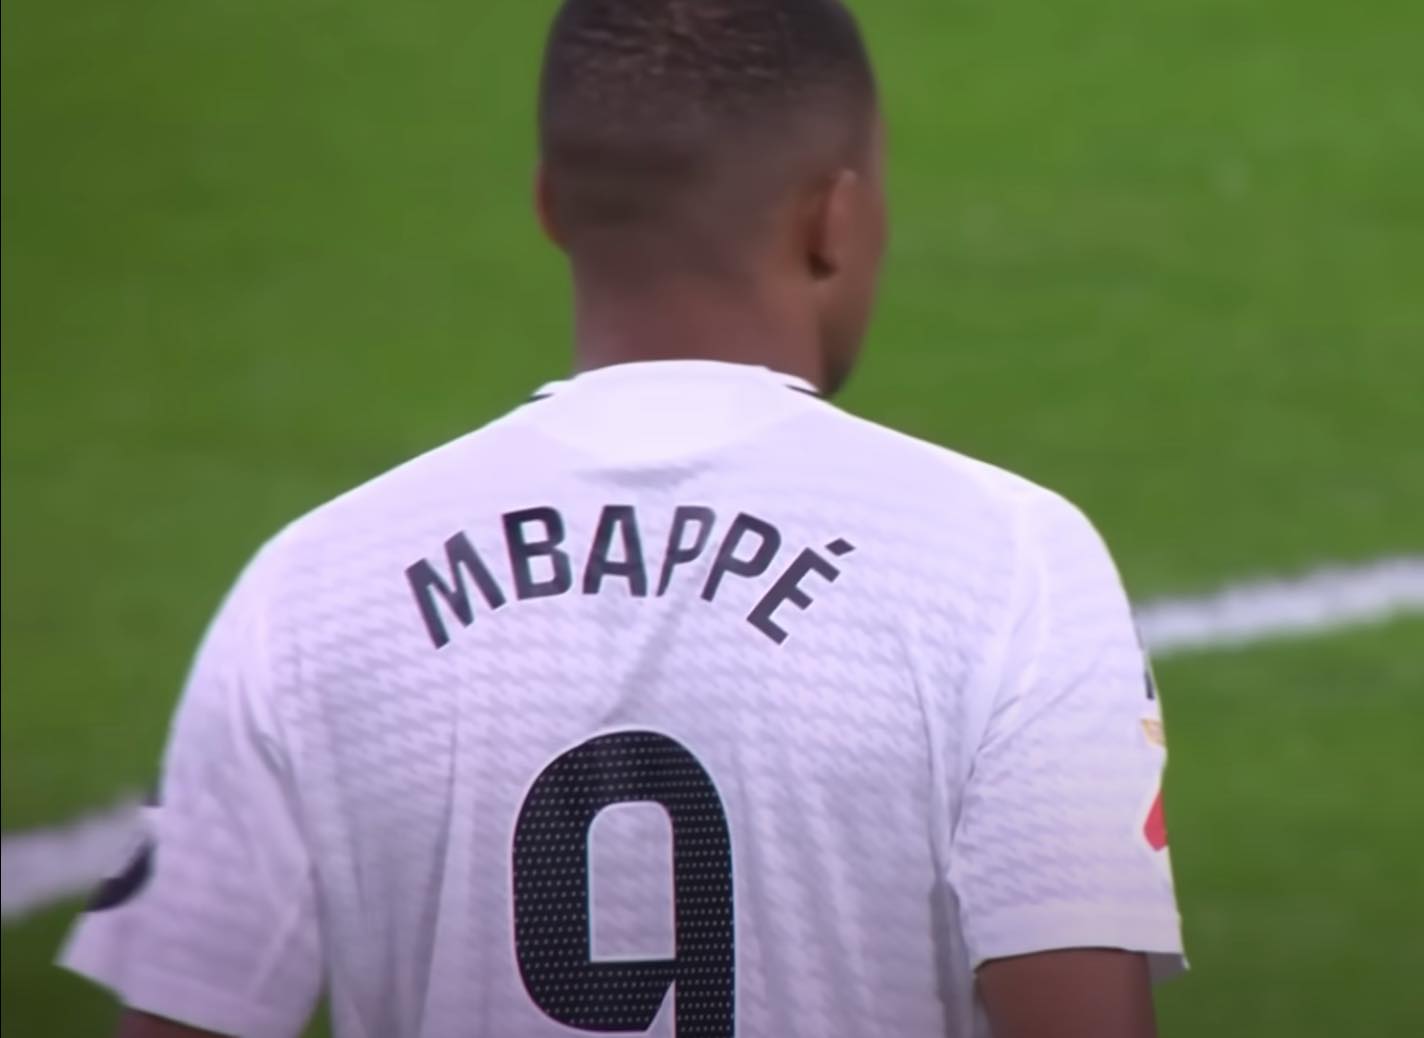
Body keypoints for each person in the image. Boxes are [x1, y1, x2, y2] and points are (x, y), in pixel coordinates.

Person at [60, 1, 1184, 1035]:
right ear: (834, 219)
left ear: (551, 205)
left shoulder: (310, 591)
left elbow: (182, 1012)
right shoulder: (1006, 563)